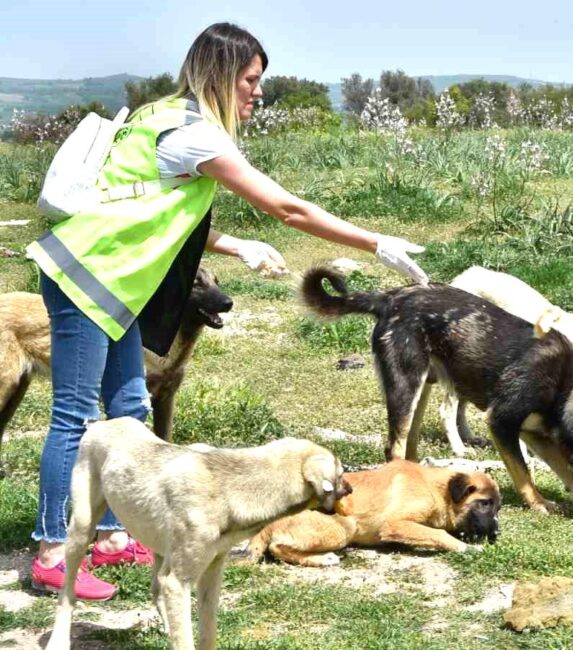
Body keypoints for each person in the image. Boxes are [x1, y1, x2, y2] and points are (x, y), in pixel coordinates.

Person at [25, 22, 429, 600]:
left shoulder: (161, 113)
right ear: (221, 76)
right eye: (250, 79)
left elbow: (146, 201)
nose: (257, 92)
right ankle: (50, 549)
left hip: (114, 280)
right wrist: (376, 243)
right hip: (86, 275)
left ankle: (113, 534)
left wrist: (234, 245)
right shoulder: (195, 135)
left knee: (130, 404)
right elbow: (286, 207)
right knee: (75, 414)